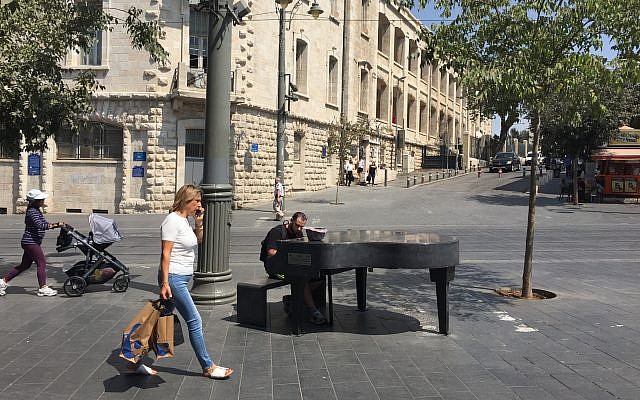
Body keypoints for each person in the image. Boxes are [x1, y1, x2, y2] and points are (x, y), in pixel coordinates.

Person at [127, 184, 233, 378]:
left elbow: (197, 241)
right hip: (174, 279)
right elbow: (165, 254)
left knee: (159, 320)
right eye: (197, 201)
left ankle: (134, 360)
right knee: (194, 320)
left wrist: (198, 223)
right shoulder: (172, 221)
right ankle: (208, 367)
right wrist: (165, 283)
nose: (200, 205)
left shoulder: (184, 220)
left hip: (180, 277)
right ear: (186, 201)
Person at [259, 212, 327, 325]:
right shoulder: (277, 231)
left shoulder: (298, 233)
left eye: (302, 226)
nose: (299, 228)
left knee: (318, 277)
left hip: (291, 267)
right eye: (297, 225)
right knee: (300, 280)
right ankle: (313, 312)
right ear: (291, 221)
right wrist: (289, 258)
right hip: (275, 270)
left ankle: (292, 299)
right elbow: (271, 252)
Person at [0, 189, 64, 297]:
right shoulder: (32, 212)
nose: (43, 200)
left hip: (31, 242)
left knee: (25, 265)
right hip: (31, 242)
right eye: (41, 199)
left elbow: (44, 223)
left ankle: (3, 282)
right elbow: (41, 225)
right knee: (41, 263)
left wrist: (54, 225)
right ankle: (43, 288)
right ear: (36, 201)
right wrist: (56, 225)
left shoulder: (36, 210)